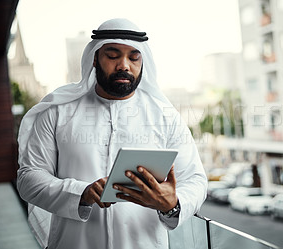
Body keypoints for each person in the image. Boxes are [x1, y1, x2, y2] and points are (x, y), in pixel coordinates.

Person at [17, 18, 208, 249]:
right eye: (113, 55)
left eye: (134, 57)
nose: (124, 65)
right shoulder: (57, 112)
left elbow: (196, 180)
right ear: (95, 58)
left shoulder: (165, 117)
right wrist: (82, 192)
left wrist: (173, 204)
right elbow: (29, 178)